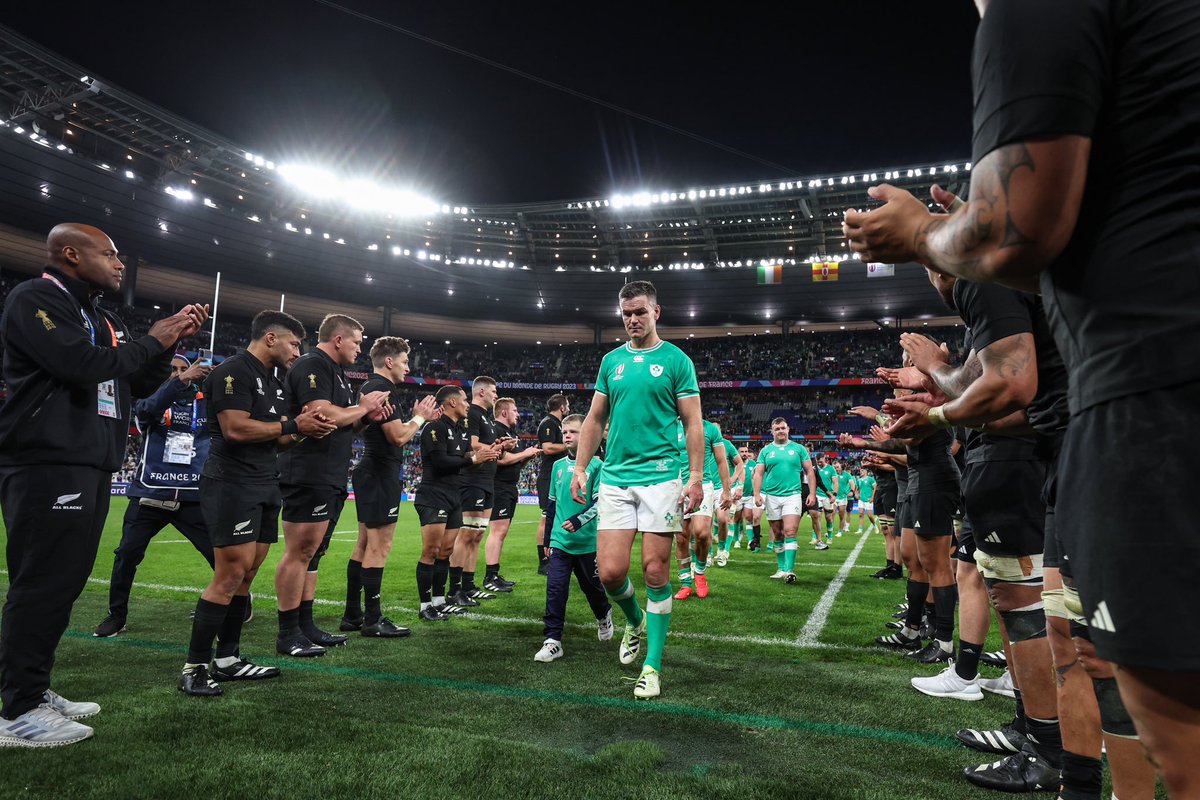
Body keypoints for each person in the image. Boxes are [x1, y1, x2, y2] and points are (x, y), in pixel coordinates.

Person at [843, 3, 1200, 793]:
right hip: (1144, 389)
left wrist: (924, 231)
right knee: (1102, 666)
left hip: (1157, 393)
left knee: (1170, 733)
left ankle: (1048, 750)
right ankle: (1065, 764)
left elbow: (1017, 228)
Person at [0, 223, 207, 745]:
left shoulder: (98, 315)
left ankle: (32, 687)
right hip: (48, 460)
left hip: (89, 461)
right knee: (43, 581)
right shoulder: (35, 298)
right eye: (110, 254)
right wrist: (152, 339)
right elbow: (79, 364)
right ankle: (17, 710)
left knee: (64, 581)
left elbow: (130, 380)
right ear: (71, 254)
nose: (119, 264)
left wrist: (164, 346)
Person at [177, 311, 337, 695]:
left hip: (266, 482)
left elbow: (281, 438)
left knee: (247, 575)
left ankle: (228, 658)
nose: (298, 351)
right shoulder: (235, 372)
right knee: (230, 574)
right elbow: (235, 429)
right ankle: (194, 666)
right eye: (294, 343)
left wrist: (305, 428)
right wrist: (292, 425)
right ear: (270, 338)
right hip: (232, 483)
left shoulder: (275, 381)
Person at [572, 280, 704, 700]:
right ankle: (634, 619)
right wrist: (580, 466)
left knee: (654, 571)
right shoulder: (611, 362)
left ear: (656, 312)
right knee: (609, 573)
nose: (632, 319)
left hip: (662, 477)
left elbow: (693, 423)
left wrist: (696, 477)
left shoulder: (676, 360)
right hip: (614, 477)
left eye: (640, 312)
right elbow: (594, 419)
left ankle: (652, 666)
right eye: (626, 313)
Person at [275, 314, 391, 654]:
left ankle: (306, 624)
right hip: (308, 472)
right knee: (300, 552)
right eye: (356, 341)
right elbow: (321, 414)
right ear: (338, 339)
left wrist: (365, 419)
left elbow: (341, 424)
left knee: (314, 553)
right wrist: (361, 406)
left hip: (329, 473)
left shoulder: (335, 372)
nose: (360, 348)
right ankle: (288, 632)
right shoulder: (314, 365)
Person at [95, 354, 216, 638]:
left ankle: (238, 603)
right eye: (172, 370)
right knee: (126, 554)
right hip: (151, 492)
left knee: (220, 555)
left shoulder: (206, 404)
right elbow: (145, 413)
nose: (178, 374)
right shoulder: (150, 401)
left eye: (184, 370)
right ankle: (117, 615)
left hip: (191, 495)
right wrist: (180, 382)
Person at [340, 336, 437, 638]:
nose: (409, 367)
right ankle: (372, 618)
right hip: (380, 471)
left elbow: (369, 427)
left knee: (364, 544)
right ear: (390, 361)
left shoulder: (369, 387)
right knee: (379, 546)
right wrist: (420, 417)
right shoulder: (382, 389)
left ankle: (353, 615)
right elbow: (398, 437)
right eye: (406, 361)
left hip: (372, 471)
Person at [413, 386, 502, 620]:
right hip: (433, 495)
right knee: (430, 551)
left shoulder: (460, 429)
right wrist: (472, 458)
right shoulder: (434, 427)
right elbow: (441, 461)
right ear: (452, 403)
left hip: (454, 496)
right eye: (464, 400)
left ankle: (440, 601)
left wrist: (486, 454)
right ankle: (425, 606)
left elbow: (464, 459)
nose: (467, 404)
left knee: (445, 551)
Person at [534, 414, 612, 662]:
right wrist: (547, 539)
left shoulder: (598, 466)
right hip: (560, 542)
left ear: (589, 435)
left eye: (573, 432)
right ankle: (553, 640)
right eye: (564, 431)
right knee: (556, 588)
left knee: (592, 588)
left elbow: (600, 503)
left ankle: (604, 614)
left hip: (587, 542)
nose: (566, 435)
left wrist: (579, 520)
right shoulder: (557, 467)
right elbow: (552, 506)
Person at [453, 376, 511, 605]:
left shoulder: (485, 417)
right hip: (472, 479)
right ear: (482, 391)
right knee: (466, 534)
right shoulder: (473, 414)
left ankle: (468, 585)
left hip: (487, 480)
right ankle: (455, 589)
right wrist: (496, 446)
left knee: (476, 536)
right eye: (494, 391)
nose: (496, 395)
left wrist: (500, 446)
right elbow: (472, 445)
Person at [485, 397, 541, 592]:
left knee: (502, 532)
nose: (518, 414)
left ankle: (494, 574)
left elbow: (514, 462)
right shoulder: (495, 430)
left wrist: (526, 457)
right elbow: (499, 459)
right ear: (504, 412)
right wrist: (524, 454)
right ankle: (490, 577)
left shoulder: (511, 433)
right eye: (515, 411)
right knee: (497, 532)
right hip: (498, 485)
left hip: (510, 486)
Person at [753, 417, 819, 582]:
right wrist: (756, 494)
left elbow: (810, 472)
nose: (781, 431)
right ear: (772, 431)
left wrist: (812, 493)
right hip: (772, 496)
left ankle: (790, 570)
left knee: (790, 531)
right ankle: (781, 568)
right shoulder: (766, 451)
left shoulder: (798, 449)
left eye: (783, 428)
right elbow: (759, 473)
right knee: (778, 533)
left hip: (793, 495)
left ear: (788, 429)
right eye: (777, 429)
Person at [674, 419, 729, 600]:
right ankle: (685, 583)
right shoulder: (668, 425)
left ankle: (699, 573)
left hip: (702, 484)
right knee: (681, 537)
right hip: (674, 486)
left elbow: (721, 460)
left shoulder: (710, 428)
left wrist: (726, 490)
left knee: (702, 533)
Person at [535, 394, 570, 575]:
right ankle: (543, 561)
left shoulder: (557, 424)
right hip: (549, 477)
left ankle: (556, 556)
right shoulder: (548, 423)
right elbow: (547, 448)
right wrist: (570, 445)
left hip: (557, 477)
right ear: (562, 407)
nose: (569, 409)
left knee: (556, 516)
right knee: (546, 516)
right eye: (568, 406)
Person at [733, 445, 761, 550]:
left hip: (749, 496)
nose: (744, 453)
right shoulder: (734, 464)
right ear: (738, 453)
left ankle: (750, 540)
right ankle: (736, 540)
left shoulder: (753, 464)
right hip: (737, 496)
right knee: (736, 519)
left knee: (749, 518)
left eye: (746, 451)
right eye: (742, 451)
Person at [853, 467, 877, 535]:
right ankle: (860, 529)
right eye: (860, 471)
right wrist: (856, 494)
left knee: (870, 515)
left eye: (862, 470)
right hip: (861, 499)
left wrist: (872, 497)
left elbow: (875, 488)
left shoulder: (870, 479)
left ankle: (875, 525)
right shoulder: (859, 480)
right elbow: (856, 488)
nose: (861, 472)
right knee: (860, 514)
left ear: (866, 471)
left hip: (868, 499)